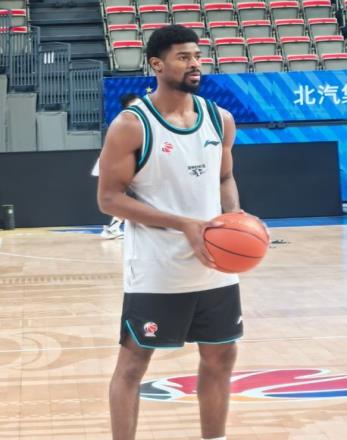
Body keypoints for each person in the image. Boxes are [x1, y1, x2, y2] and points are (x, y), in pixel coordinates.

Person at [97, 25, 255, 440]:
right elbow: (109, 199)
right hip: (158, 269)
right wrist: (184, 224)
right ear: (157, 64)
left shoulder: (220, 119)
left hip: (215, 265)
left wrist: (234, 217)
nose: (195, 64)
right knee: (133, 365)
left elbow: (224, 178)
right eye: (184, 57)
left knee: (222, 356)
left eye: (197, 56)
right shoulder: (132, 125)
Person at [93, 93, 140, 239]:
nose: (140, 107)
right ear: (128, 107)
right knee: (127, 198)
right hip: (116, 164)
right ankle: (112, 228)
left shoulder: (139, 121)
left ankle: (114, 227)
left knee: (131, 198)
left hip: (124, 164)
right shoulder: (124, 122)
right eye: (136, 105)